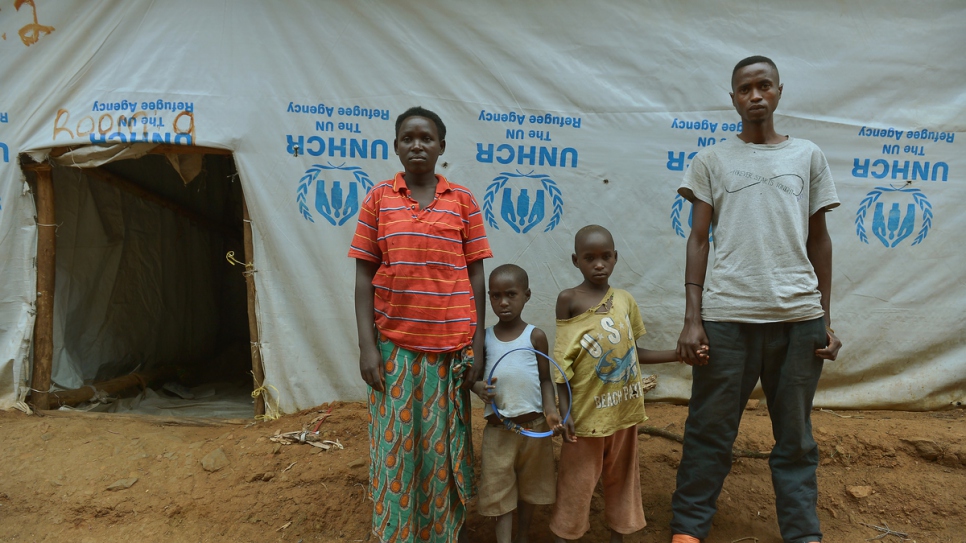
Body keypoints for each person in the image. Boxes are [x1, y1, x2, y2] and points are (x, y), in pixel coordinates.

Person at [671, 56, 843, 543]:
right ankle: (688, 528)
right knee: (708, 430)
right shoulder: (711, 160)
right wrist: (692, 318)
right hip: (727, 317)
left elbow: (820, 241)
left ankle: (802, 532)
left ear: (779, 91)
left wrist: (826, 320)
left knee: (795, 438)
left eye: (764, 86)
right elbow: (698, 239)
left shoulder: (807, 155)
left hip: (798, 319)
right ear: (733, 99)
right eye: (745, 89)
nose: (755, 96)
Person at [349, 106, 491, 543]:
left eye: (426, 138)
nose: (417, 145)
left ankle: (446, 531)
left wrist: (478, 345)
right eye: (408, 138)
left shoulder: (462, 202)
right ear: (395, 146)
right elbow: (362, 278)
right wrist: (367, 347)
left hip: (451, 350)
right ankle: (398, 533)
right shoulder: (379, 199)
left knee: (442, 451)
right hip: (395, 349)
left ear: (442, 147)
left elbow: (476, 277)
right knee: (397, 451)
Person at [550, 225, 687, 543]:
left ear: (615, 258)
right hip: (585, 418)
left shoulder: (625, 300)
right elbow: (561, 364)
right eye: (589, 258)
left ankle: (618, 537)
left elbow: (635, 354)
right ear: (575, 261)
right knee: (576, 485)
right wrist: (565, 410)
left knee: (623, 481)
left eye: (605, 257)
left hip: (623, 413)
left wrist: (677, 355)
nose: (599, 264)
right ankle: (564, 536)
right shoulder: (568, 300)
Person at [471, 264, 564, 543]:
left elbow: (546, 381)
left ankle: (523, 535)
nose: (503, 303)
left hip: (535, 429)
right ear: (489, 297)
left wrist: (550, 412)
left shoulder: (535, 336)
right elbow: (472, 378)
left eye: (511, 294)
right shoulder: (484, 338)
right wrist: (479, 389)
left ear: (527, 295)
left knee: (532, 486)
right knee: (499, 490)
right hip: (499, 431)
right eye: (496, 296)